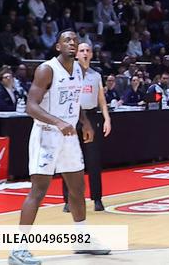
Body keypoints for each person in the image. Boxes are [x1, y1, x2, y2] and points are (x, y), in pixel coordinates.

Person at [8, 31, 110, 265]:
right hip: (46, 134)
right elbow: (30, 107)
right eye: (67, 40)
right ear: (57, 46)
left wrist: (84, 122)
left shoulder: (80, 70)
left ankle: (82, 239)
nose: (72, 43)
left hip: (69, 135)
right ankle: (18, 248)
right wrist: (58, 122)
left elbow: (75, 102)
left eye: (75, 40)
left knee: (77, 188)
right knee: (39, 190)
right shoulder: (46, 70)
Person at [62, 42, 112, 213]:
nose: (84, 53)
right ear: (76, 54)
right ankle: (68, 200)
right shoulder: (67, 72)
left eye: (87, 51)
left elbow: (101, 101)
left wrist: (107, 119)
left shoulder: (96, 75)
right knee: (70, 159)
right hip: (71, 116)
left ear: (91, 54)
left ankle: (97, 199)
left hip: (91, 117)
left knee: (93, 160)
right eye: (81, 50)